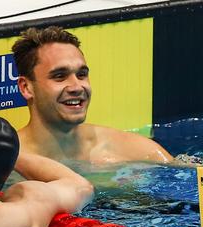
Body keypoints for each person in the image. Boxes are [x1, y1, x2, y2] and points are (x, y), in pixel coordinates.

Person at [12, 26, 173, 164]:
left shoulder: (136, 152)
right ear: (26, 87)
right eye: (59, 76)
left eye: (82, 74)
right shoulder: (6, 162)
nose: (76, 87)